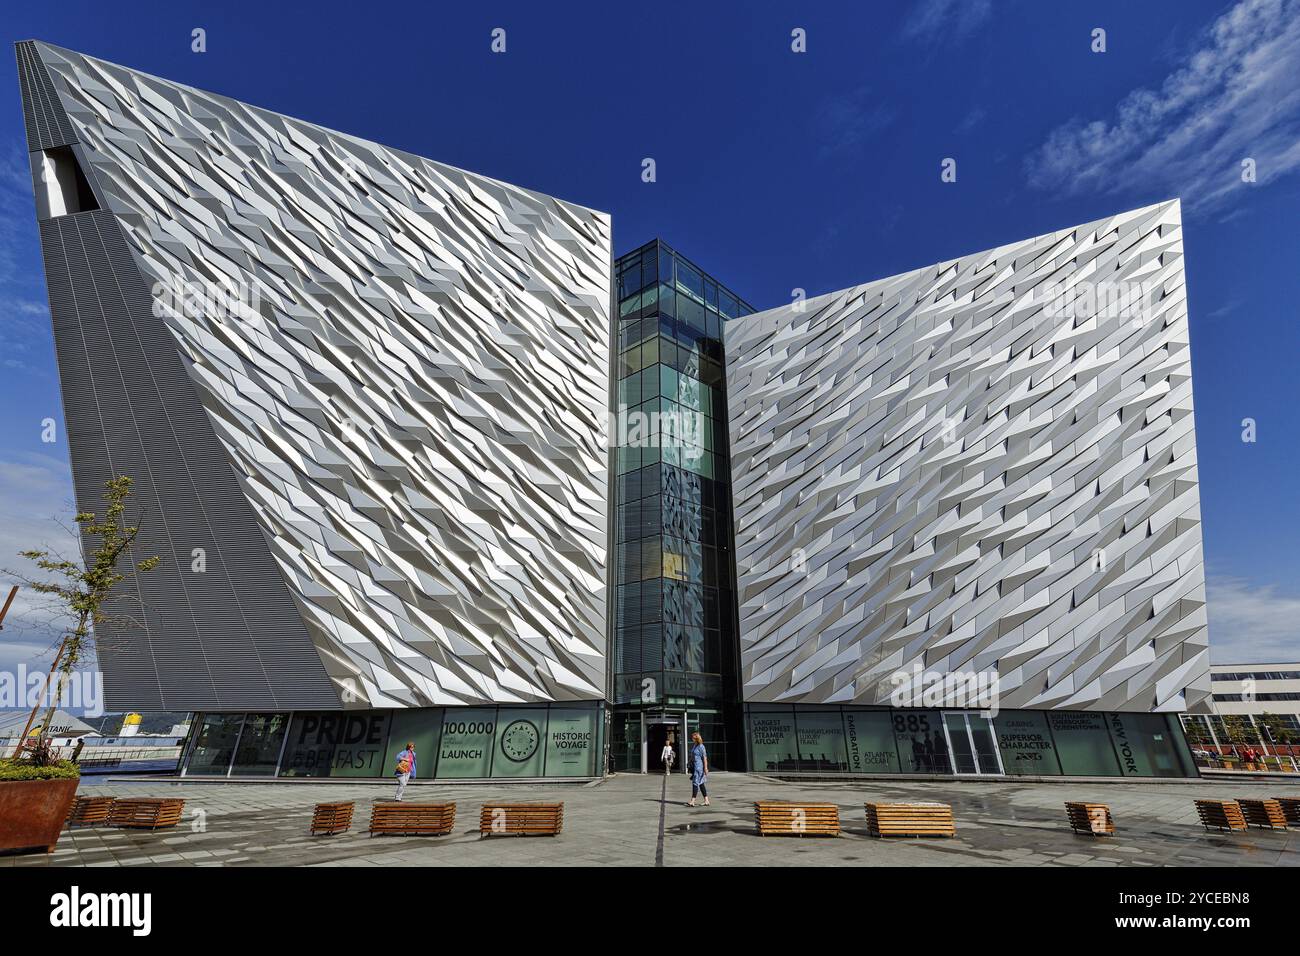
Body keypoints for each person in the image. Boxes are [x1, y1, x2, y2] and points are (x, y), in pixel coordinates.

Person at [687, 732, 709, 807]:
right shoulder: (695, 746)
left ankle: (692, 801)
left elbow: (705, 758)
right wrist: (689, 762)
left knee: (695, 783)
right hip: (695, 766)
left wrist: (705, 768)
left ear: (696, 738)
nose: (692, 739)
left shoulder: (701, 746)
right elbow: (692, 755)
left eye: (693, 738)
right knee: (701, 783)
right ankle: (706, 800)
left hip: (699, 768)